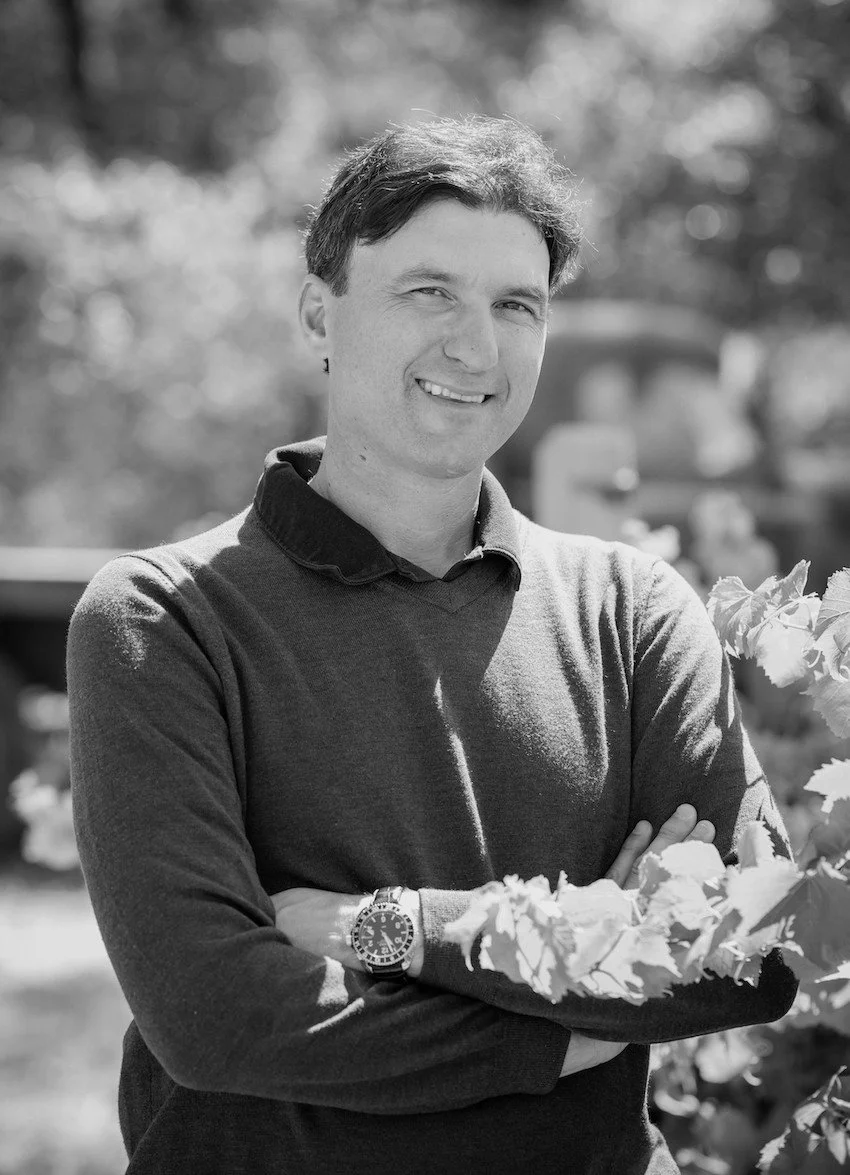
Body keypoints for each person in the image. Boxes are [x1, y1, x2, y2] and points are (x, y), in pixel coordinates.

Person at [68, 116, 797, 1175]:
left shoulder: (631, 610)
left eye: (517, 304)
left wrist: (388, 927)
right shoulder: (162, 617)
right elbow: (220, 1019)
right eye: (429, 292)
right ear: (320, 308)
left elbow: (750, 952)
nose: (477, 346)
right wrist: (591, 1005)